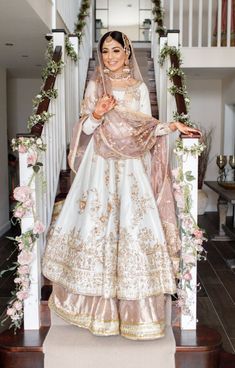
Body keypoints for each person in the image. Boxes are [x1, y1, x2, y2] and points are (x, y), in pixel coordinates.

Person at [42, 31, 200, 340]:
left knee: (132, 228)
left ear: (127, 53)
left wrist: (172, 126)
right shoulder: (95, 85)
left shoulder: (140, 88)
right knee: (95, 229)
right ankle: (95, 311)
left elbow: (147, 130)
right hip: (99, 167)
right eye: (105, 51)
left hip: (130, 169)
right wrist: (98, 114)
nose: (110, 56)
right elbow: (84, 128)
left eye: (116, 50)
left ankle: (137, 315)